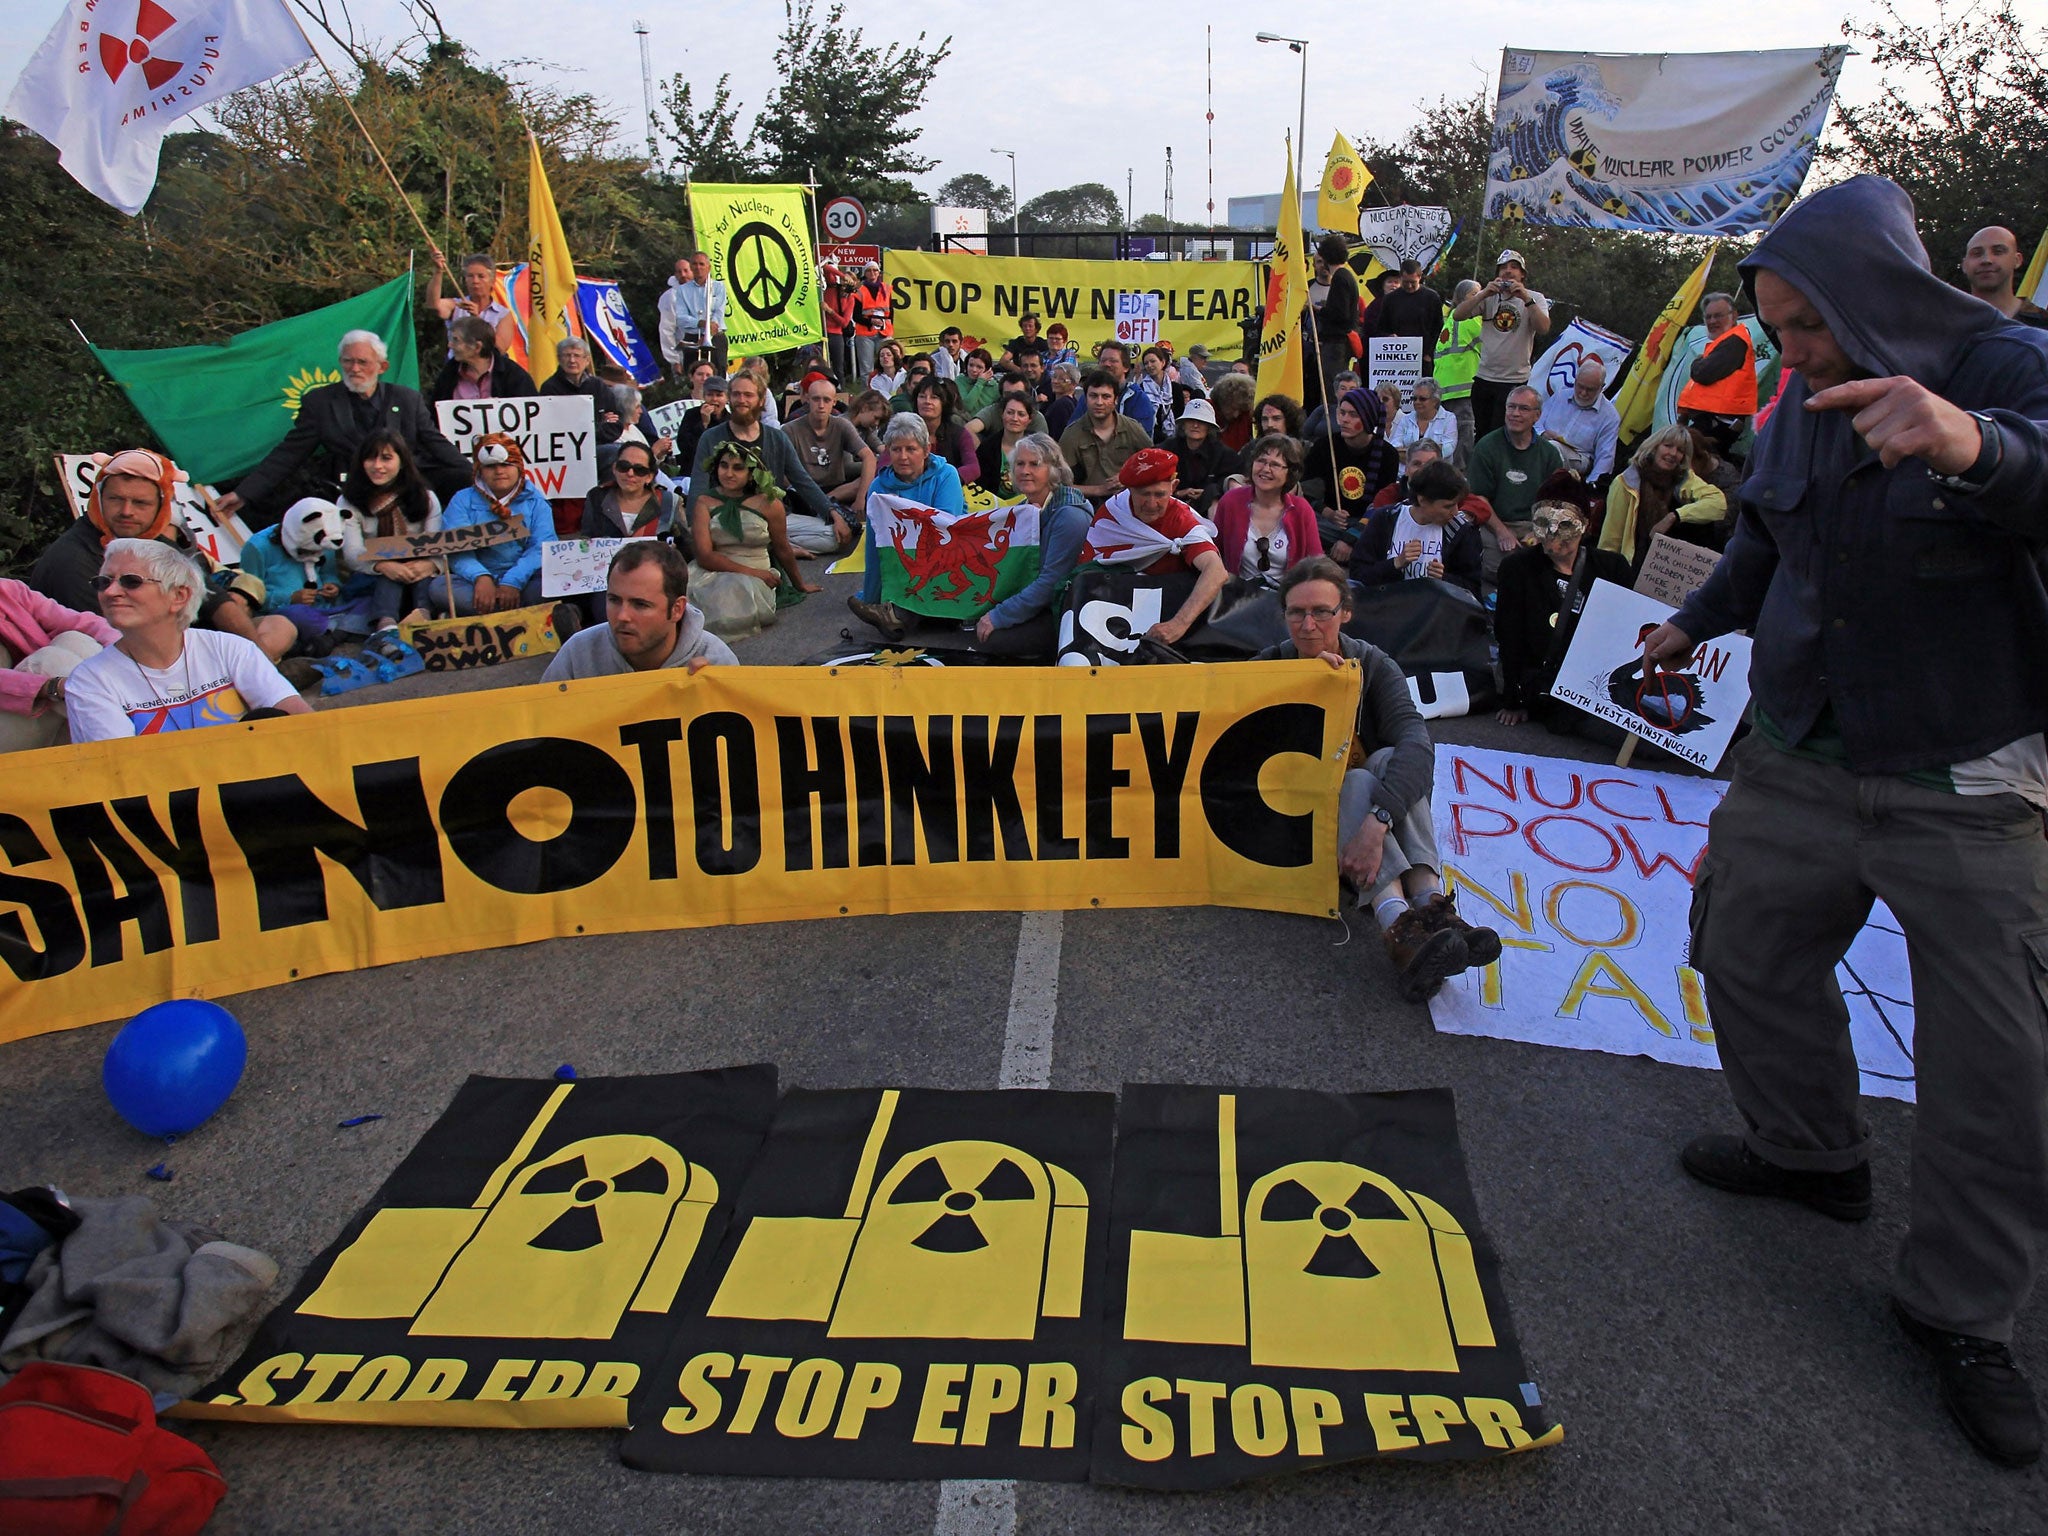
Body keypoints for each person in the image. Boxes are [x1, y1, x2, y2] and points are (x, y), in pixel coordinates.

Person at [1639, 174, 2048, 1468]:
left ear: (1869, 294)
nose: (1791, 353)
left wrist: (1973, 446)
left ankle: (1962, 1311)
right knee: (1742, 946)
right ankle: (1813, 1154)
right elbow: (1767, 538)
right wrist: (1689, 622)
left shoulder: (2009, 365)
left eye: (1806, 328)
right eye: (1775, 330)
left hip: (1966, 781)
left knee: (1996, 1076)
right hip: (1802, 749)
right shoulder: (1794, 405)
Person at [1253, 556, 1498, 1000]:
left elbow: (1417, 745)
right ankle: (1402, 928)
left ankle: (1428, 909)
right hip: (1301, 816)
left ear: (1345, 612)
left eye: (1322, 612)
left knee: (1386, 761)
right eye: (1296, 612)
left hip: (1360, 816)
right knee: (1357, 781)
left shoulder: (1372, 663)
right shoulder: (1268, 666)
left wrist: (1377, 821)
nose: (1308, 625)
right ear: (1284, 614)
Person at [32, 450, 297, 663]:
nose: (126, 511)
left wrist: (257, 661)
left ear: (160, 506)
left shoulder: (156, 543)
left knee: (279, 627)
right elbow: (110, 641)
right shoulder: (72, 558)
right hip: (117, 659)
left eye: (140, 503)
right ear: (99, 499)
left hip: (183, 644)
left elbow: (214, 598)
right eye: (115, 499)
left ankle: (253, 675)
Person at [65, 539, 310, 741]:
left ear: (179, 596)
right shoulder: (90, 681)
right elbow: (122, 775)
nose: (110, 592)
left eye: (131, 581)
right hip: (165, 798)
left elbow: (304, 725)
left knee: (271, 719)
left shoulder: (229, 648)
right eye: (102, 582)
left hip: (249, 787)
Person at [218, 331, 469, 521]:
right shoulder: (320, 403)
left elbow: (436, 444)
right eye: (348, 361)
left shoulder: (407, 399)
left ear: (382, 367)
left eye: (362, 362)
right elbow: (289, 453)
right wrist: (243, 494)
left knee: (456, 481)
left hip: (409, 488)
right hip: (353, 492)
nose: (354, 369)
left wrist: (479, 475)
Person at [1493, 473, 1630, 727]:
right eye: (1544, 522)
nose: (1552, 533)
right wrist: (1514, 698)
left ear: (1585, 525)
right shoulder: (1518, 568)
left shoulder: (1612, 568)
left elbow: (1625, 631)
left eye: (1565, 524)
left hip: (1592, 686)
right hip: (1543, 684)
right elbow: (1509, 635)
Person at [688, 370, 835, 592]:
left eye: (748, 395)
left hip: (771, 515)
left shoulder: (776, 438)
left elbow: (802, 481)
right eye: (736, 394)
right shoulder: (711, 437)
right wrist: (695, 528)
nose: (741, 400)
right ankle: (778, 545)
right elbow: (698, 487)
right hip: (719, 521)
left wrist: (832, 513)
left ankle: (781, 544)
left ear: (761, 400)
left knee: (833, 536)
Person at [1083, 447, 1228, 646]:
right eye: (1144, 494)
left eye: (1159, 494)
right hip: (1116, 612)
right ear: (1129, 490)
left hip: (1173, 613)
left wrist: (1178, 624)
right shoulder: (1112, 515)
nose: (1152, 504)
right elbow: (1088, 572)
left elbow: (1216, 571)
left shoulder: (1181, 519)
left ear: (1173, 486)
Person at [970, 434, 1093, 659]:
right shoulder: (1024, 506)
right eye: (1020, 464)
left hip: (1062, 613)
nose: (1025, 471)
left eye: (1034, 464)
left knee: (990, 641)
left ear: (1053, 470)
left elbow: (1050, 584)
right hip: (1038, 603)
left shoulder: (1070, 516)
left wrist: (999, 616)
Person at [545, 537, 737, 680]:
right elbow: (538, 729)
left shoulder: (715, 659)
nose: (622, 616)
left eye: (640, 605)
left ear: (677, 609)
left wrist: (715, 693)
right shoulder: (577, 654)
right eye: (614, 600)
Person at [846, 413, 966, 640]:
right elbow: (875, 548)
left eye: (911, 449)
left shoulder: (946, 475)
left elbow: (946, 529)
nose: (902, 456)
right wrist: (872, 596)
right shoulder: (878, 488)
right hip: (902, 565)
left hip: (943, 557)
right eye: (896, 449)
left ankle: (897, 616)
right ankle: (892, 612)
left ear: (926, 450)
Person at [422, 435, 558, 617]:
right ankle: (512, 613)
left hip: (525, 579)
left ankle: (489, 613)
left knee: (551, 584)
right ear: (479, 470)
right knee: (438, 588)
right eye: (491, 466)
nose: (499, 471)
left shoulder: (536, 501)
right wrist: (481, 577)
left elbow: (542, 548)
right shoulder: (462, 500)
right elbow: (456, 548)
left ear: (519, 468)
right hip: (475, 583)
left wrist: (512, 582)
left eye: (506, 465)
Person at [687, 439, 797, 640]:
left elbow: (782, 548)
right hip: (714, 570)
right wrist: (753, 572)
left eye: (738, 468)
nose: (729, 473)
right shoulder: (704, 501)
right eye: (724, 466)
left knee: (729, 610)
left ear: (752, 473)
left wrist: (800, 584)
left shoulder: (770, 503)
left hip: (757, 576)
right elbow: (704, 556)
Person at [0, 579, 118, 752]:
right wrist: (50, 686)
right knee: (49, 661)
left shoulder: (7, 591)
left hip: (45, 717)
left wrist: (125, 651)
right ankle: (129, 739)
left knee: (77, 640)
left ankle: (124, 728)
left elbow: (80, 621)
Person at [237, 497, 368, 652]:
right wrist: (290, 598)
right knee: (296, 615)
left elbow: (329, 573)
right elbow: (248, 599)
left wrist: (333, 585)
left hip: (327, 608)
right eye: (309, 552)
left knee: (371, 596)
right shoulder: (257, 547)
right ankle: (345, 631)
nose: (315, 555)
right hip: (288, 613)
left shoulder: (326, 539)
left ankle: (332, 635)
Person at [1598, 424, 1729, 568]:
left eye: (1680, 450)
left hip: (1668, 567)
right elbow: (1611, 538)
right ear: (1654, 447)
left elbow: (1718, 503)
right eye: (1668, 446)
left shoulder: (1685, 479)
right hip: (1630, 564)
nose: (1673, 453)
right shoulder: (1626, 482)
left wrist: (1674, 517)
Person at [1452, 251, 1551, 440]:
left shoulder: (1535, 298)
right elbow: (1458, 315)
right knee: (1482, 434)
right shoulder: (1489, 297)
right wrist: (1483, 294)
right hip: (1485, 377)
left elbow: (1544, 327)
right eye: (1503, 267)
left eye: (1513, 267)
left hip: (1513, 380)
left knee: (1503, 435)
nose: (1508, 271)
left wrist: (1525, 299)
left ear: (1522, 274)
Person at [1352, 460, 1484, 598]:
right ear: (1422, 500)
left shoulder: (1461, 531)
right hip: (1386, 609)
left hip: (1437, 614)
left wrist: (1444, 579)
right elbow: (1358, 575)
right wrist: (1395, 564)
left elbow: (1474, 590)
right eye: (1447, 506)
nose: (1455, 512)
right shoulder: (1386, 519)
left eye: (1457, 504)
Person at [1305, 387, 1402, 562]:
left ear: (1368, 418)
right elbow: (1304, 491)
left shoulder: (1388, 455)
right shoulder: (1325, 445)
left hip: (1366, 523)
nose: (1344, 420)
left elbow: (1382, 506)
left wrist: (1351, 538)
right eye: (1342, 413)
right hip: (1328, 524)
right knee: (1304, 525)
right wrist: (1328, 512)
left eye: (1353, 415)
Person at [1209, 433, 1321, 586]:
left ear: (1290, 473)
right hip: (1237, 596)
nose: (1266, 469)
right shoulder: (1230, 502)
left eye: (1275, 465)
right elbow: (1213, 553)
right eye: (1261, 461)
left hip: (1285, 599)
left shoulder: (1301, 510)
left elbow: (1316, 564)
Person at [1467, 385, 1565, 535]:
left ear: (1537, 415)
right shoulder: (1486, 447)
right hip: (1493, 525)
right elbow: (1479, 498)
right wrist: (1502, 533)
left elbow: (1555, 501)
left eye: (1524, 409)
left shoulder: (1549, 454)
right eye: (1511, 407)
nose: (1515, 413)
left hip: (1535, 527)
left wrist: (1538, 532)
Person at [784, 373, 870, 543]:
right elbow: (781, 468)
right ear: (807, 399)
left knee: (870, 479)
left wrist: (861, 498)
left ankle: (825, 508)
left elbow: (868, 457)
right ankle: (826, 512)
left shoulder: (841, 425)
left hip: (836, 490)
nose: (821, 405)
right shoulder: (790, 429)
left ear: (834, 402)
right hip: (804, 491)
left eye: (826, 400)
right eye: (816, 399)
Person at [1676, 292, 1759, 455]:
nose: (1712, 321)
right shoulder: (1725, 341)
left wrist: (1697, 363)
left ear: (1734, 315)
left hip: (1718, 424)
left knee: (1691, 463)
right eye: (1708, 317)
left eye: (1718, 316)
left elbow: (1703, 374)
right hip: (1713, 423)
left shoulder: (1734, 342)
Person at [1058, 370, 1153, 499]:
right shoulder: (1072, 434)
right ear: (1085, 399)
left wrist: (1127, 477)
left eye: (1106, 396)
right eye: (1093, 396)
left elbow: (1153, 464)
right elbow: (1059, 485)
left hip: (1129, 500)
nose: (1099, 402)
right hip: (1089, 504)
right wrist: (1098, 490)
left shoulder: (1132, 427)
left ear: (1116, 400)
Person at [1537, 357, 1622, 482]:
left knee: (1552, 449)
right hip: (1543, 444)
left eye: (1590, 389)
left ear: (1602, 387)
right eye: (1580, 386)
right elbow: (1536, 422)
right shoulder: (1561, 395)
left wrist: (1591, 485)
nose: (1583, 393)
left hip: (1579, 457)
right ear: (1575, 380)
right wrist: (1543, 433)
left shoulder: (1609, 416)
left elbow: (1605, 458)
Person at [582, 440, 679, 540]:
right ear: (614, 468)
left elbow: (684, 543)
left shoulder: (669, 501)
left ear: (649, 477)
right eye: (624, 467)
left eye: (639, 470)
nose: (630, 473)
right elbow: (586, 539)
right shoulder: (597, 496)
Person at [430, 315, 537, 405]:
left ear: (477, 347)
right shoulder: (449, 373)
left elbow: (530, 415)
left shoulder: (513, 375)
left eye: (456, 340)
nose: (450, 345)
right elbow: (435, 414)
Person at [1434, 279, 1485, 467]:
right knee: (1464, 434)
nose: (1480, 297)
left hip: (1446, 388)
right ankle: (1460, 476)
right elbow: (1497, 340)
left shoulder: (1450, 319)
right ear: (1464, 298)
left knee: (1449, 435)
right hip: (1463, 388)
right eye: (1475, 294)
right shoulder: (1470, 319)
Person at [540, 336, 623, 447]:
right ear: (559, 359)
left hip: (599, 445)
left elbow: (616, 425)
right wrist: (599, 424)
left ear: (587, 360)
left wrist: (588, 429)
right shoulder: (550, 388)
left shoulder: (598, 386)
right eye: (567, 355)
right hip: (567, 449)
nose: (572, 360)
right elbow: (559, 429)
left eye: (577, 355)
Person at [431, 252, 518, 357]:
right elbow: (433, 305)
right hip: (457, 368)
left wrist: (478, 320)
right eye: (470, 276)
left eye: (481, 276)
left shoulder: (502, 314)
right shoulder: (457, 305)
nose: (475, 281)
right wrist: (438, 271)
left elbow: (501, 348)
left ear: (492, 281)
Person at [1961, 225, 2048, 330]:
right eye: (1977, 253)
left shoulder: (2043, 324)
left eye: (1998, 252)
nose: (1986, 260)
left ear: (2017, 260)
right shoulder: (1944, 324)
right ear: (1964, 265)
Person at [1163, 397, 1241, 515]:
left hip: (1207, 510)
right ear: (1183, 425)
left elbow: (1230, 480)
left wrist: (1207, 493)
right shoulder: (1167, 448)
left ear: (1209, 427)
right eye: (1191, 420)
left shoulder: (1224, 454)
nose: (1195, 425)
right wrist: (1177, 492)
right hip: (1171, 506)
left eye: (1201, 422)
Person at [657, 252, 727, 378]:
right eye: (694, 264)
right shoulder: (680, 291)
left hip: (715, 337)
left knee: (718, 379)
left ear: (708, 267)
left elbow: (719, 312)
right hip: (691, 339)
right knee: (694, 379)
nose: (698, 267)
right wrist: (700, 323)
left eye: (702, 264)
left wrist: (708, 332)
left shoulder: (719, 287)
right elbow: (680, 319)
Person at [1311, 234, 1361, 406]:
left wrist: (1319, 309)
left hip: (1336, 344)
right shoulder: (1346, 276)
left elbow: (1341, 313)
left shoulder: (1340, 278)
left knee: (1333, 388)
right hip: (1340, 343)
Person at [1367, 260, 1446, 368]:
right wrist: (1388, 336)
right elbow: (1381, 327)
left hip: (1423, 358)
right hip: (1397, 357)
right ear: (1401, 277)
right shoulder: (1390, 299)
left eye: (1413, 282)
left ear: (1420, 277)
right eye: (1405, 282)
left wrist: (1429, 353)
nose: (1409, 286)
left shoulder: (1432, 298)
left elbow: (1438, 328)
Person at [910, 374, 978, 475]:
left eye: (934, 397)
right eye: (922, 396)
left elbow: (973, 468)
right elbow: (885, 465)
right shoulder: (904, 431)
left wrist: (944, 479)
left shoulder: (959, 434)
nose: (927, 401)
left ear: (944, 403)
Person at [976, 394, 1037, 495]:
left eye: (1021, 414)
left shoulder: (1039, 447)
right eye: (1010, 412)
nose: (1015, 418)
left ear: (1029, 419)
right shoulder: (987, 448)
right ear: (1002, 414)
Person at [1389, 377, 1459, 462]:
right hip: (1406, 473)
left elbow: (1447, 450)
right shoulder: (1405, 419)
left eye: (1422, 399)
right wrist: (1431, 453)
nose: (1417, 402)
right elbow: (1395, 450)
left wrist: (1408, 452)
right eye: (1414, 399)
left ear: (1435, 401)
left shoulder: (1449, 419)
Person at [675, 373, 727, 470]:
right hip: (694, 470)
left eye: (719, 395)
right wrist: (704, 424)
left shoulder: (731, 420)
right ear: (704, 396)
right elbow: (686, 448)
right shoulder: (691, 415)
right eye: (710, 395)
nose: (714, 399)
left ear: (726, 398)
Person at [1127, 346, 1179, 441]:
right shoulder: (1141, 389)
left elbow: (1179, 414)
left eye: (1153, 361)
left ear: (1162, 362)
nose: (1149, 365)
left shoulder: (1176, 388)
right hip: (1150, 438)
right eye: (1146, 363)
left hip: (1173, 440)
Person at [852, 261, 894, 379]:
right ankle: (868, 395)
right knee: (867, 369)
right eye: (869, 270)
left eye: (875, 270)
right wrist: (871, 321)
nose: (872, 273)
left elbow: (891, 311)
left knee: (888, 365)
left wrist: (889, 326)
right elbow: (856, 316)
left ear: (879, 273)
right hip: (865, 334)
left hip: (884, 332)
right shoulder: (859, 290)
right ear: (865, 273)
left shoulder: (886, 288)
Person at [821, 266, 859, 381]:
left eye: (850, 282)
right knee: (820, 365)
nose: (845, 284)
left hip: (835, 334)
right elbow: (826, 268)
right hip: (821, 331)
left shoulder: (850, 299)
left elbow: (844, 323)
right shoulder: (832, 286)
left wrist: (829, 311)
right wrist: (843, 275)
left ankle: (840, 391)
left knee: (838, 368)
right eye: (844, 281)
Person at [1212, 372, 1257, 453]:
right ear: (1223, 401)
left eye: (1240, 410)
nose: (1236, 415)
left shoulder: (1247, 416)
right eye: (1233, 408)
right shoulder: (1208, 411)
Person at [954, 348, 998, 421]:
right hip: (964, 421)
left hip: (986, 424)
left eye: (979, 367)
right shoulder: (960, 380)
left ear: (987, 369)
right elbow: (966, 406)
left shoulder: (994, 386)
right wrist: (980, 382)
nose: (974, 370)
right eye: (971, 365)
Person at [1043, 362, 1084, 440]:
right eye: (1054, 377)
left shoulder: (1062, 405)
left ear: (1074, 384)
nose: (1055, 381)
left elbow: (1059, 435)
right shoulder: (1073, 402)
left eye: (1062, 379)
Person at [847, 388, 891, 454]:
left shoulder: (864, 428)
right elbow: (847, 463)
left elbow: (877, 444)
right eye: (876, 418)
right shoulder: (842, 427)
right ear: (865, 408)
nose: (877, 423)